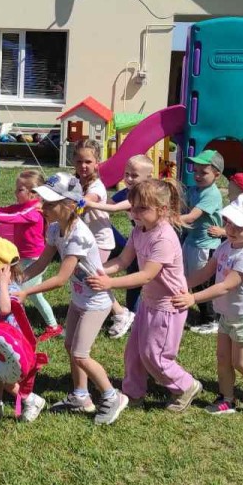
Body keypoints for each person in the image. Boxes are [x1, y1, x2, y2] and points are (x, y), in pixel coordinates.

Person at [19, 173, 129, 426]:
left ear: (69, 205)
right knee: (70, 347)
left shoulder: (78, 235)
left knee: (80, 354)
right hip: (80, 298)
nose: (42, 207)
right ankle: (81, 396)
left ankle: (112, 396)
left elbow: (60, 278)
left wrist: (25, 292)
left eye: (49, 203)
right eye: (43, 201)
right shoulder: (55, 228)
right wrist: (20, 278)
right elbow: (42, 263)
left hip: (96, 302)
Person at [90, 179, 203, 412]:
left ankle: (186, 385)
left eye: (142, 208)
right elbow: (123, 260)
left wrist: (109, 283)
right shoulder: (138, 230)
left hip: (169, 305)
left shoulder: (164, 238)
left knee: (155, 355)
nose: (134, 213)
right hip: (149, 302)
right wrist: (98, 270)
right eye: (133, 207)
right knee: (134, 353)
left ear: (162, 210)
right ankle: (133, 393)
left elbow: (146, 275)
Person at [173, 194, 243, 414]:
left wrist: (193, 298)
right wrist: (183, 284)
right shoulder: (226, 246)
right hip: (228, 315)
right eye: (229, 222)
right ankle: (227, 398)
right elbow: (206, 272)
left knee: (241, 363)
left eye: (239, 225)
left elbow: (225, 286)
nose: (231, 229)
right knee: (222, 359)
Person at [0, 169, 60, 339]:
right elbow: (4, 210)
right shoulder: (25, 207)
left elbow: (12, 217)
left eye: (20, 189)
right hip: (25, 257)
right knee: (30, 293)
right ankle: (48, 325)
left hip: (34, 259)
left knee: (21, 293)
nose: (15, 192)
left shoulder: (33, 211)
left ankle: (34, 326)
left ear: (34, 193)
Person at [0, 236, 48, 422]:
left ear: (5, 272)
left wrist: (4, 284)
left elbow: (5, 309)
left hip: (7, 342)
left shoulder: (10, 290)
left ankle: (31, 399)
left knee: (3, 375)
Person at [71, 139, 135, 338]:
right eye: (79, 161)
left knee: (94, 280)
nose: (83, 165)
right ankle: (104, 312)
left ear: (97, 163)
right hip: (84, 241)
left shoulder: (96, 186)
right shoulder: (75, 182)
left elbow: (91, 199)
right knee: (87, 279)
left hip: (100, 241)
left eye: (88, 161)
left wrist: (79, 202)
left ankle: (120, 313)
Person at [77, 153, 155, 314]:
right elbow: (108, 204)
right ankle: (133, 313)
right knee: (133, 274)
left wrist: (89, 203)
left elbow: (114, 208)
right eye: (127, 174)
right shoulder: (126, 191)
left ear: (148, 178)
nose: (129, 179)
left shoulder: (146, 194)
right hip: (138, 235)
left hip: (154, 239)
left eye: (134, 175)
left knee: (151, 279)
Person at [179, 149, 225, 334]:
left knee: (202, 282)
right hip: (191, 241)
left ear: (217, 175)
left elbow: (191, 217)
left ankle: (211, 319)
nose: (197, 175)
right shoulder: (194, 189)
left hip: (206, 245)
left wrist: (166, 220)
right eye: (195, 171)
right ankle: (200, 312)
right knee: (189, 278)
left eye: (203, 172)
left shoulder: (211, 194)